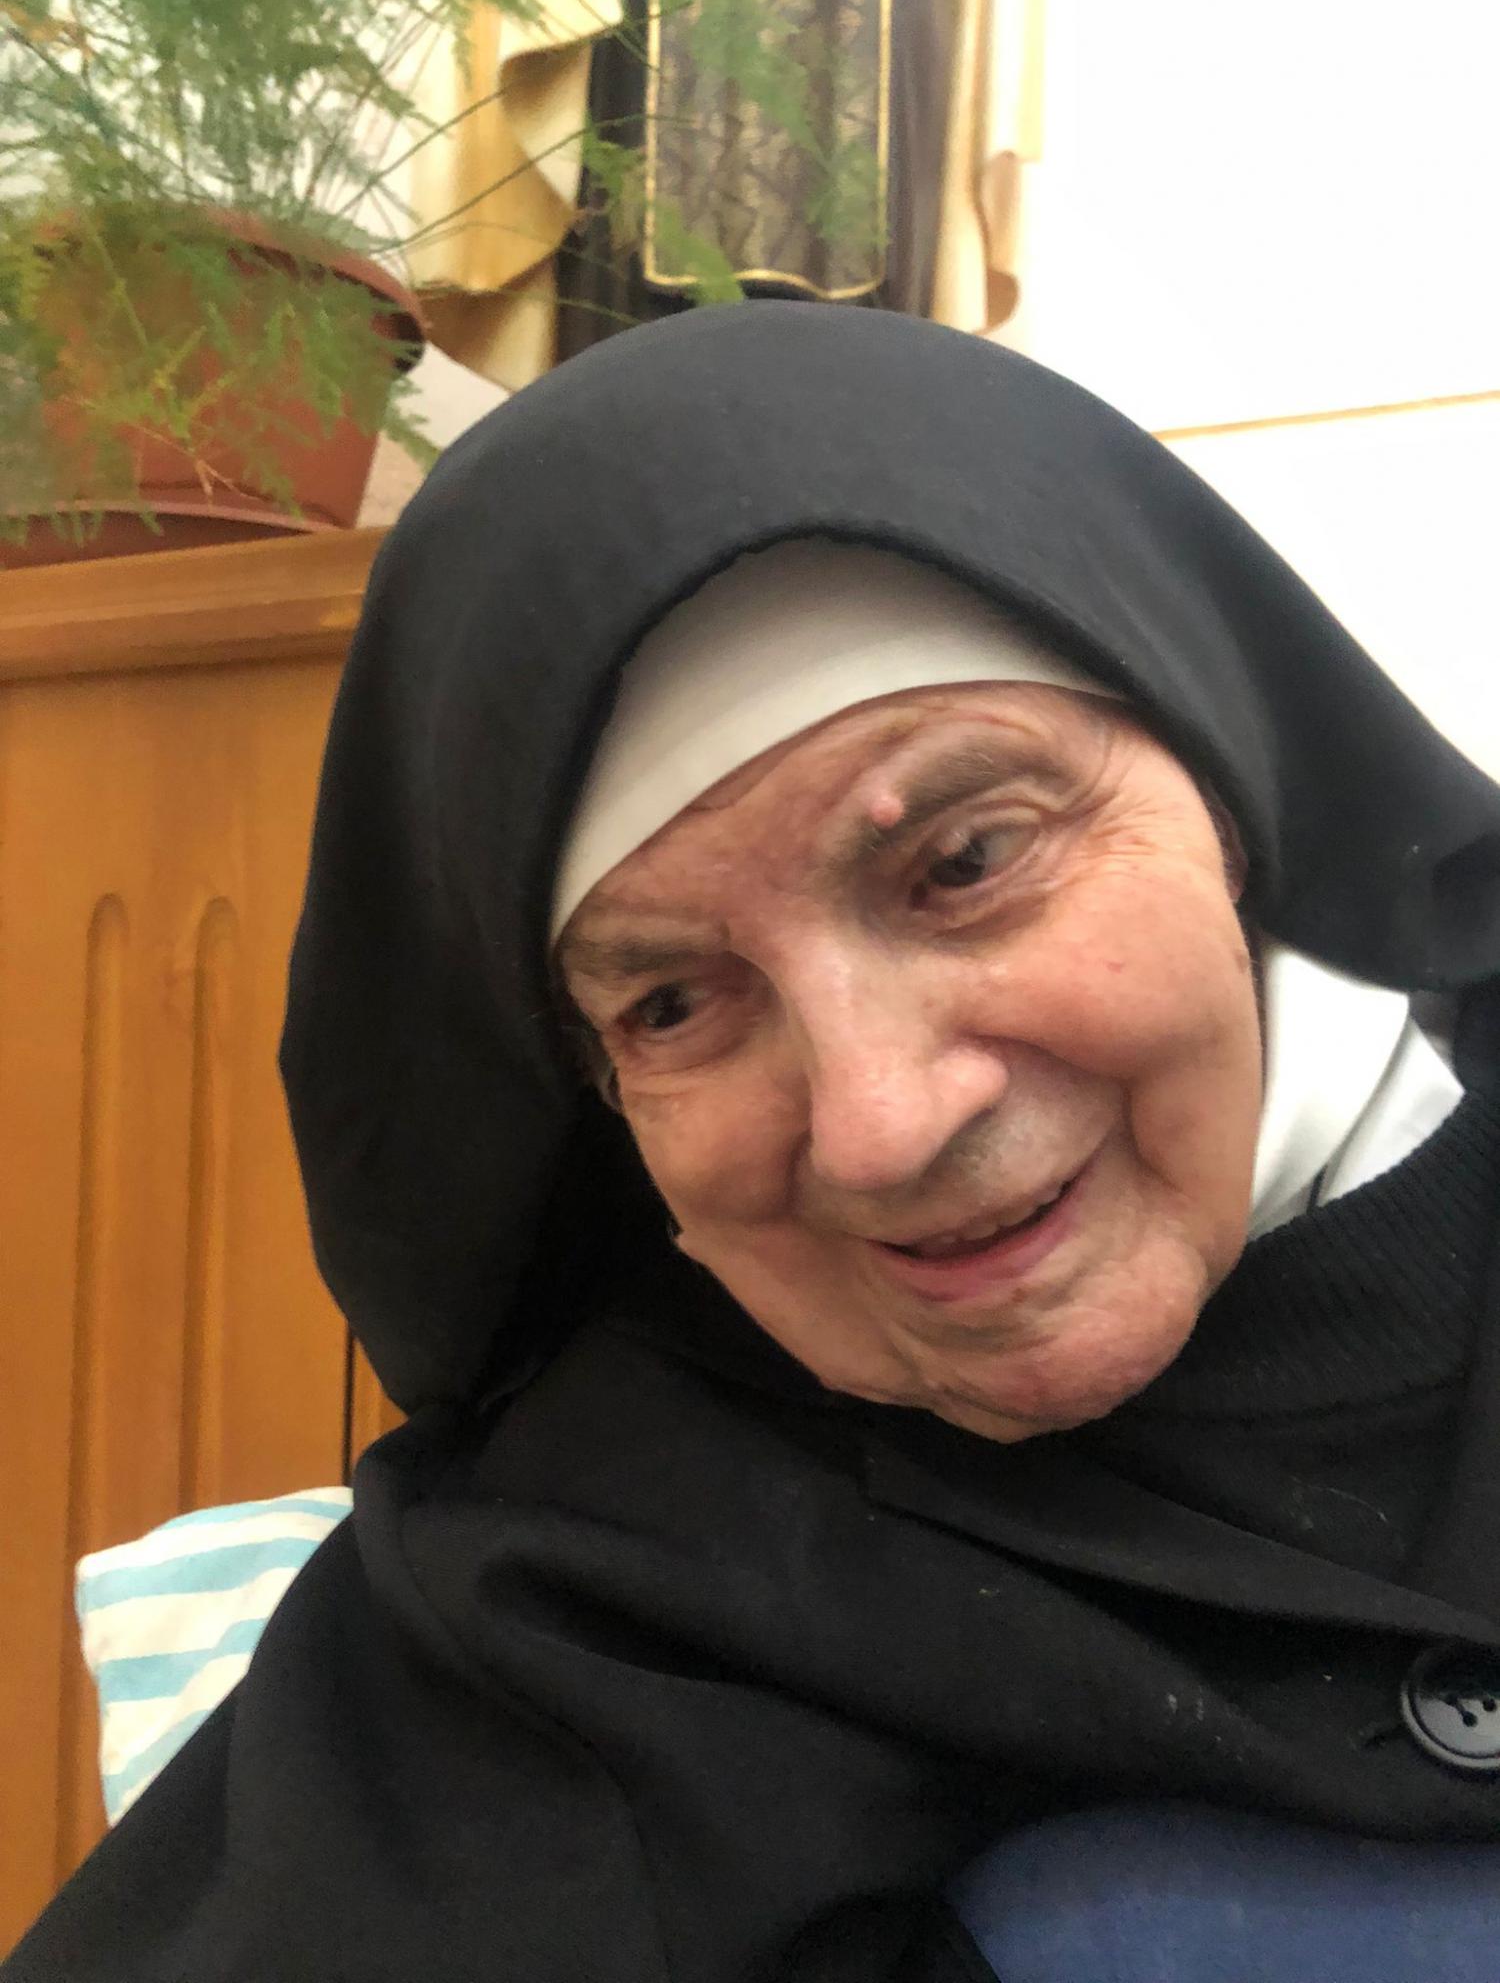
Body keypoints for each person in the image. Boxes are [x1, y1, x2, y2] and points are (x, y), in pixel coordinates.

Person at [6, 302, 1500, 1983]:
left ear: (1226, 787)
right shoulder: (589, 1589)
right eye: (669, 1005)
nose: (880, 1125)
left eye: (966, 861)